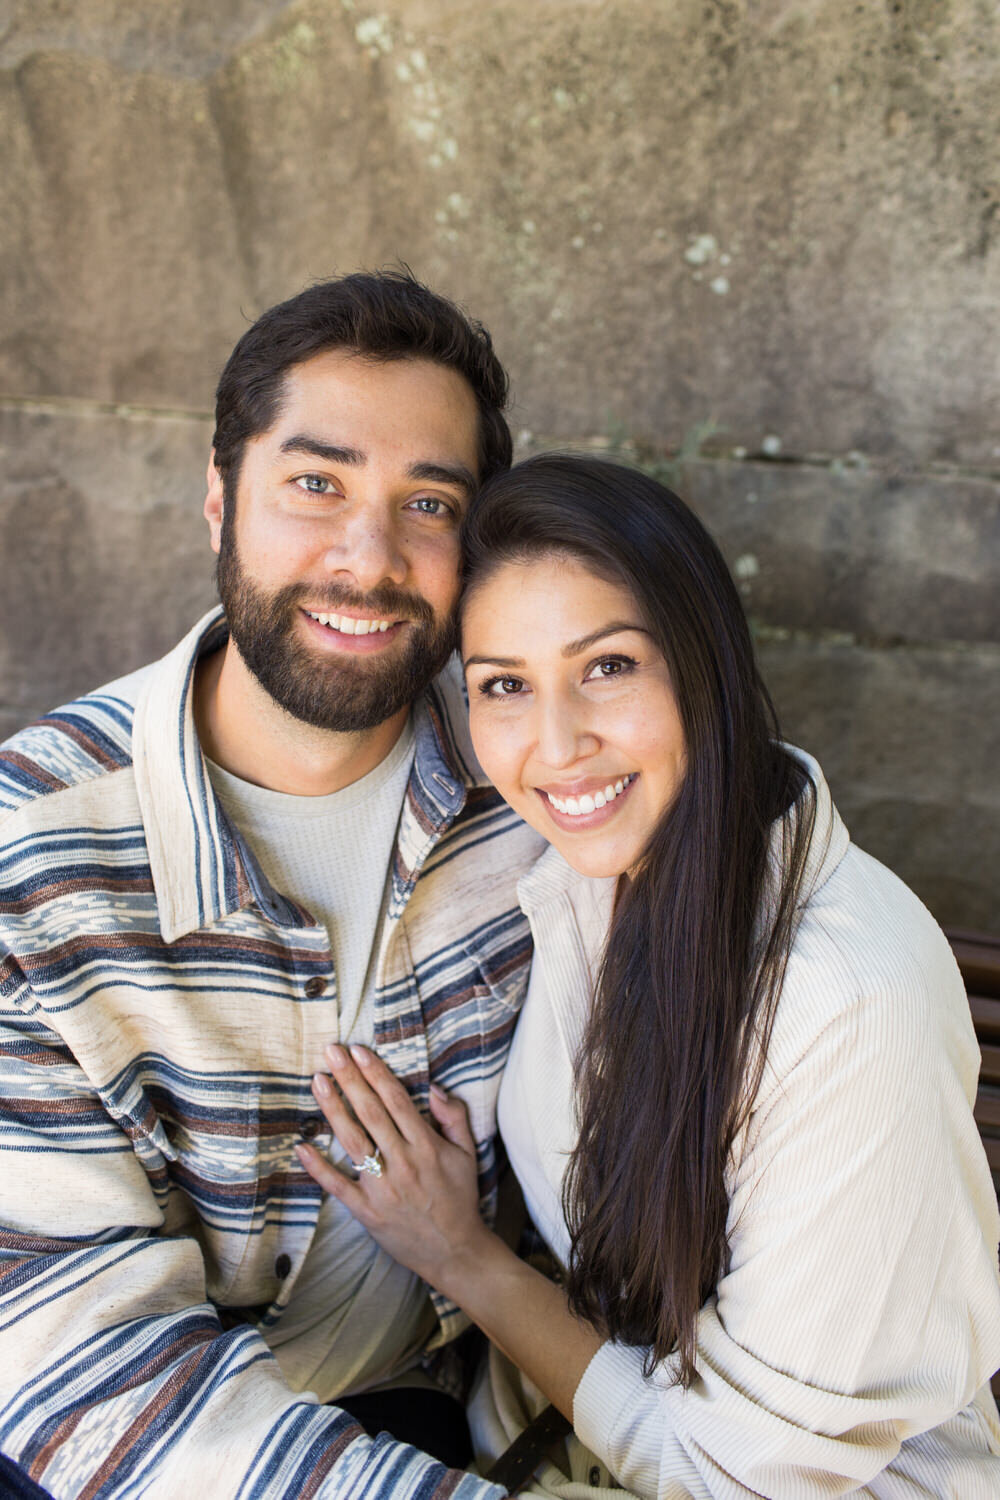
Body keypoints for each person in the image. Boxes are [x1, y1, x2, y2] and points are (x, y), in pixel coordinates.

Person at [298, 453, 1000, 1498]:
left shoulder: (844, 1007)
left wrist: (464, 1260)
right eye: (503, 684)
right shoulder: (576, 876)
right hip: (537, 1439)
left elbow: (730, 1474)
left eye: (608, 666)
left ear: (701, 660)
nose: (556, 745)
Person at [0, 272, 544, 1499]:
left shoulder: (538, 789)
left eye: (427, 502)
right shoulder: (29, 857)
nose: (368, 557)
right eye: (316, 484)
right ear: (217, 496)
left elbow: (752, 793)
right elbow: (83, 1368)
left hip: (441, 1404)